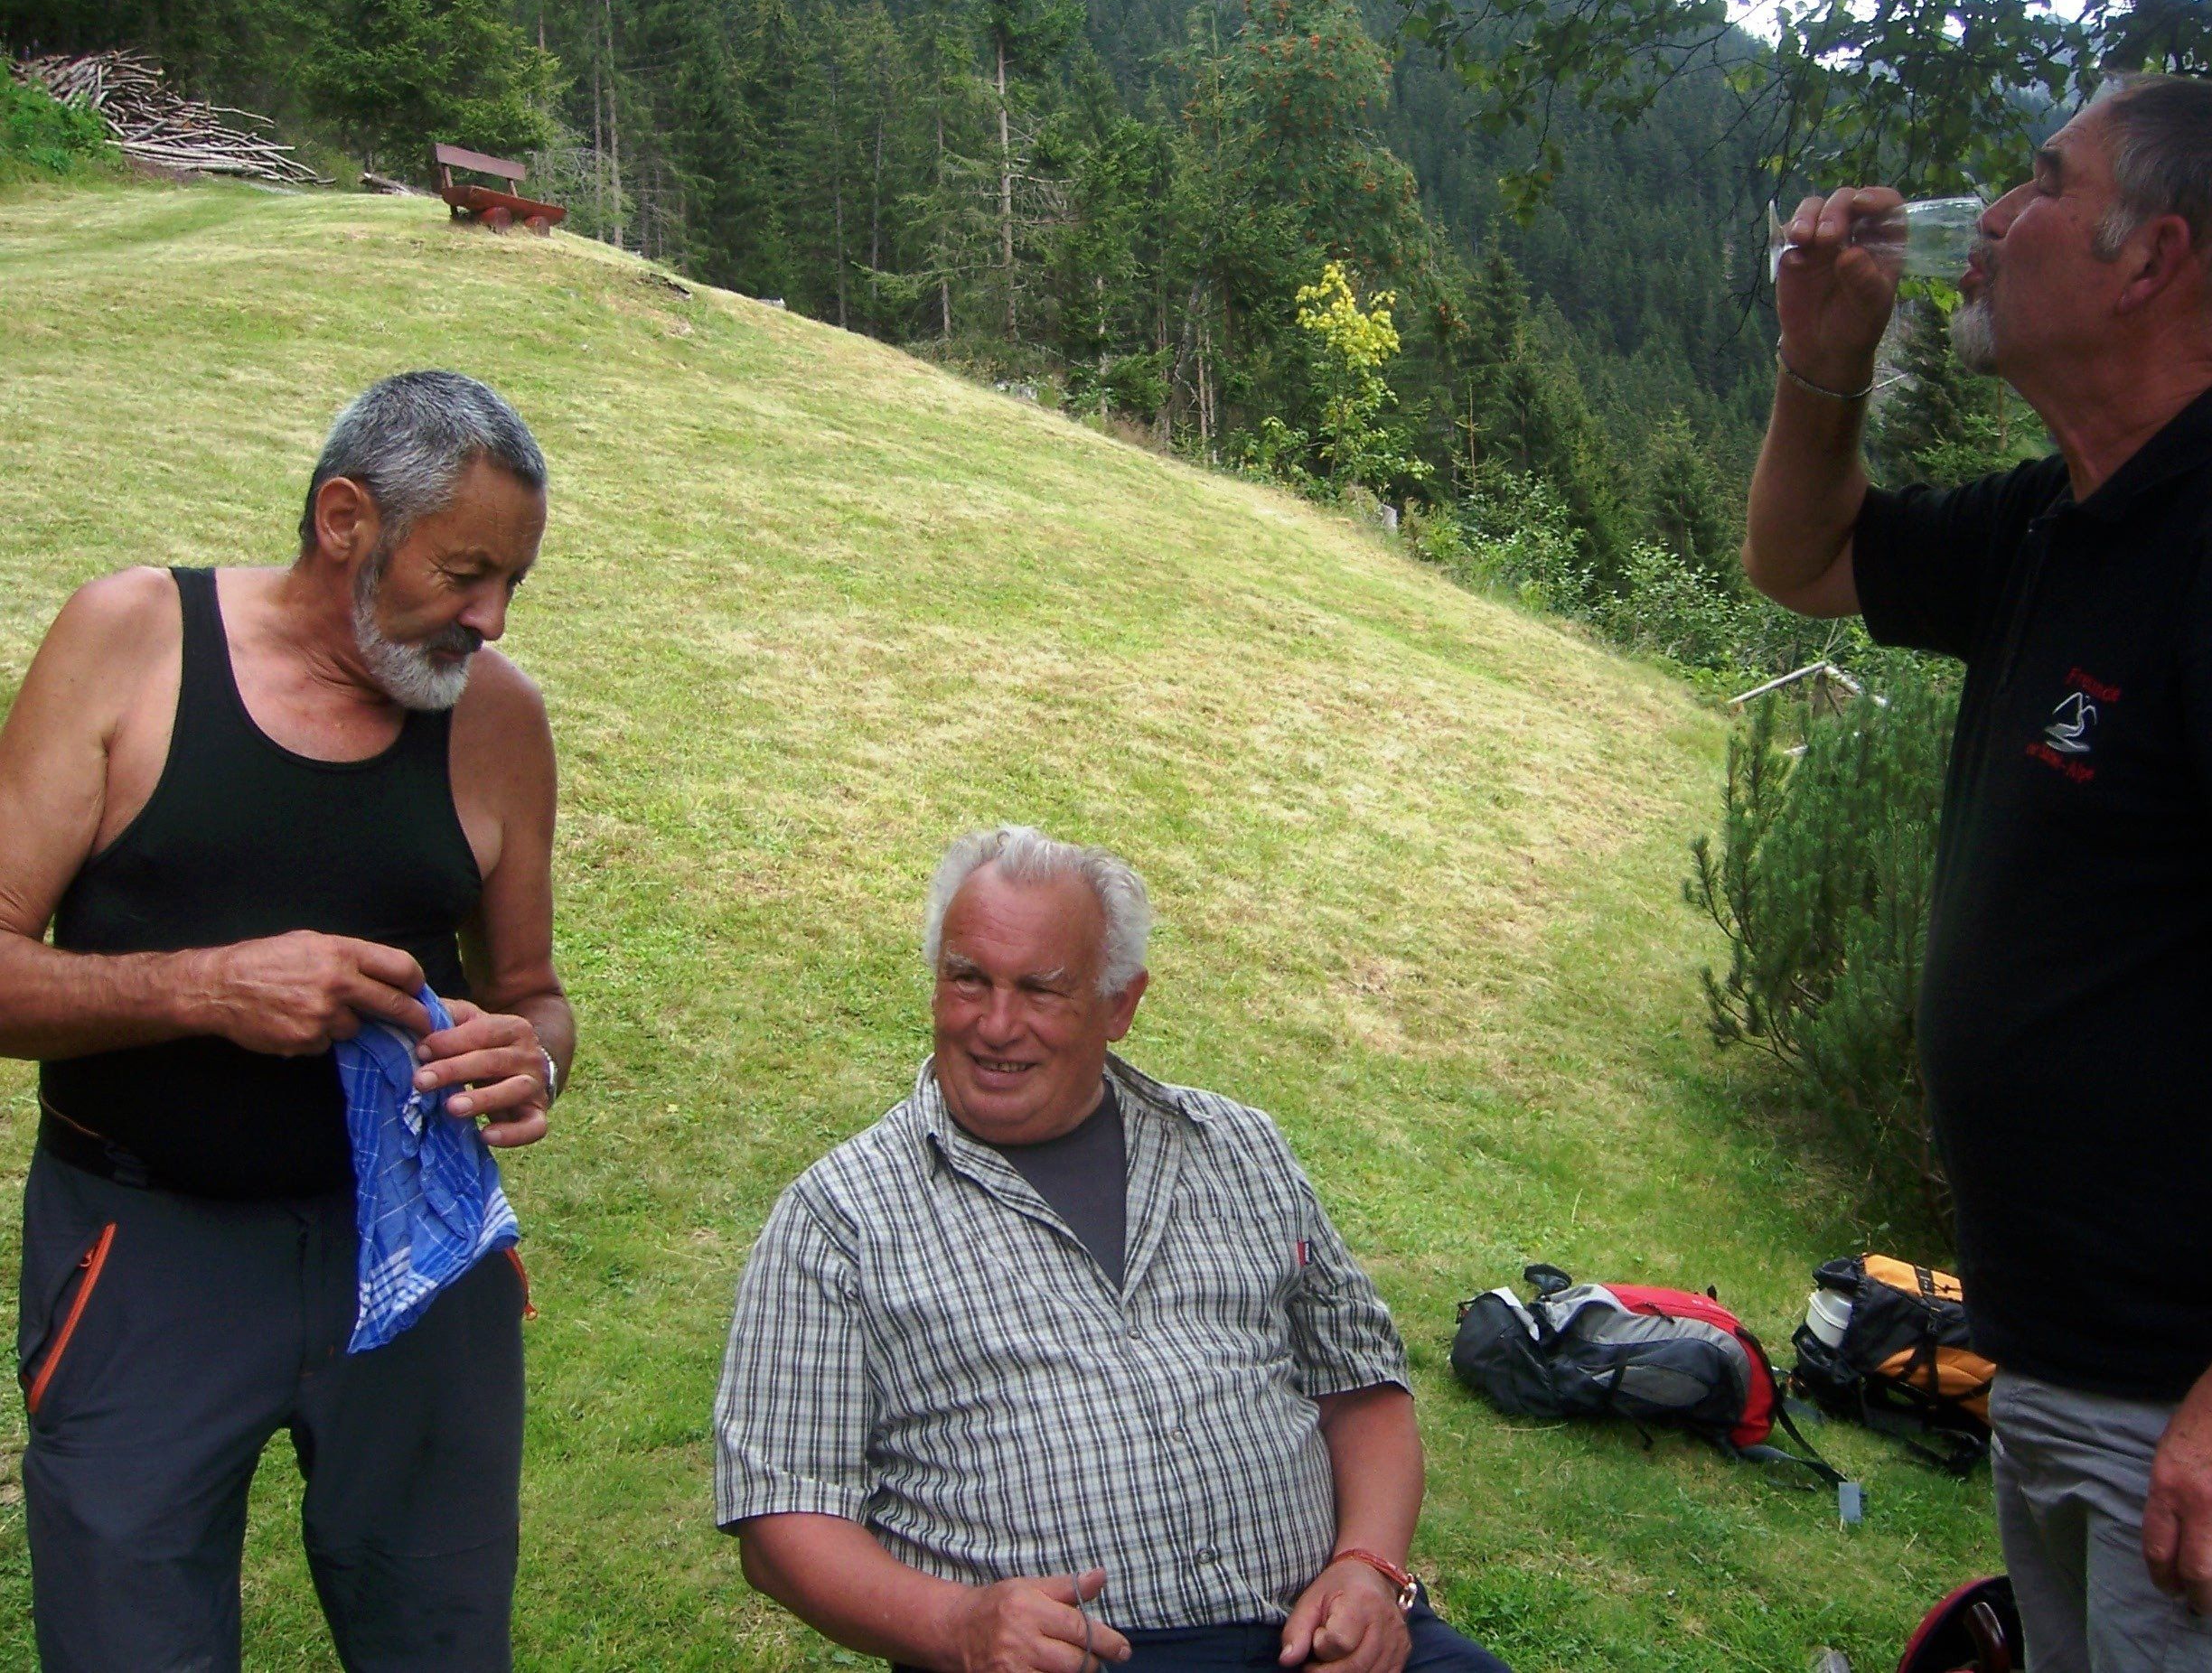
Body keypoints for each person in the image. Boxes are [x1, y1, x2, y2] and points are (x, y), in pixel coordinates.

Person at [1744, 75, 2212, 1671]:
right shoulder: (2062, 519)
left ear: (2153, 256)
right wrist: (1823, 361)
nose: (1990, 219)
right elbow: (1801, 558)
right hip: (2067, 1367)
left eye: (2039, 184)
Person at [0, 370, 574, 1671]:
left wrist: (531, 1056)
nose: (489, 619)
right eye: (464, 573)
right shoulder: (134, 643)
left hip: (420, 1251)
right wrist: (206, 988)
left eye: (512, 584)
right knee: (128, 1635)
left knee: (438, 1634)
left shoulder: (496, 719)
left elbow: (534, 994)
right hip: (148, 1247)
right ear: (343, 520)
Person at [714, 825, 1509, 1673]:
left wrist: (1368, 1567)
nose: (995, 1025)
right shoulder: (839, 1219)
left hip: (1317, 1634)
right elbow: (781, 1518)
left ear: (1121, 1006)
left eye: (1041, 990)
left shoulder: (1239, 1149)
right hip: (1072, 1658)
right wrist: (956, 1626)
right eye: (968, 979)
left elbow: (1362, 1387)